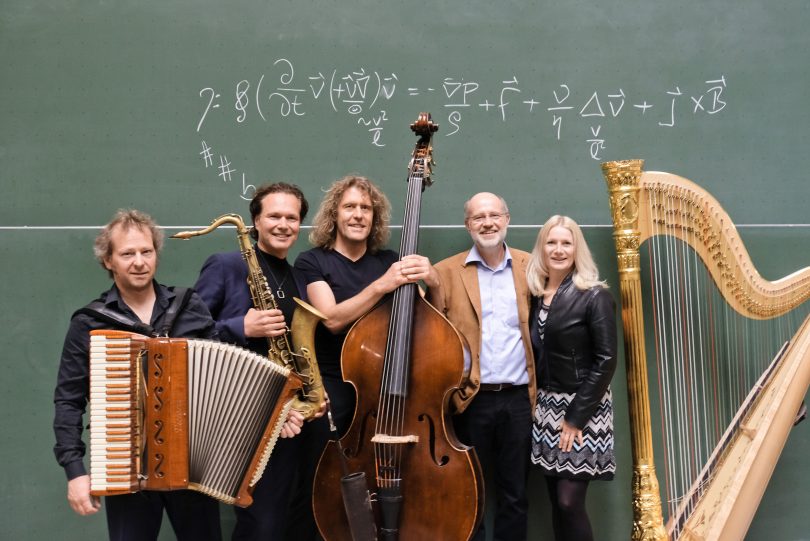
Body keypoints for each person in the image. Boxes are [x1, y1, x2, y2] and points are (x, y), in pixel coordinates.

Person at [52, 209, 222, 541]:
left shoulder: (189, 306)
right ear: (108, 261)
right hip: (123, 465)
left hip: (192, 463)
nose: (140, 262)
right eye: (127, 254)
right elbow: (69, 400)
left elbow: (221, 377)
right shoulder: (89, 322)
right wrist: (75, 471)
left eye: (147, 251)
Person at [290, 174, 433, 540]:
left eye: (366, 208)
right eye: (349, 207)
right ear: (334, 214)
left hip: (386, 390)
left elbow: (430, 318)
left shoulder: (389, 260)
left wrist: (433, 280)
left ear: (375, 217)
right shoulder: (312, 262)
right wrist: (383, 284)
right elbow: (332, 319)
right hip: (334, 388)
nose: (358, 215)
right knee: (323, 482)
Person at [193, 182, 315, 539]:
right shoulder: (225, 265)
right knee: (261, 525)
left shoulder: (298, 278)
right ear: (256, 222)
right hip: (237, 414)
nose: (283, 225)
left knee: (283, 523)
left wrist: (311, 396)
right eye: (274, 216)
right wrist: (241, 326)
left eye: (292, 217)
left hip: (286, 416)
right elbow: (185, 336)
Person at [424, 192, 536, 541]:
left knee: (515, 493)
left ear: (507, 219)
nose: (487, 223)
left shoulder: (532, 266)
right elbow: (432, 334)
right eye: (478, 217)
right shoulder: (444, 272)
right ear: (467, 225)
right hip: (470, 399)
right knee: (468, 492)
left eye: (494, 215)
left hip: (519, 399)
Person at [525, 215, 617, 541]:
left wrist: (575, 418)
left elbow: (606, 360)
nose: (559, 249)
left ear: (578, 249)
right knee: (556, 501)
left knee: (568, 502)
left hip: (583, 408)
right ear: (542, 248)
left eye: (567, 243)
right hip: (546, 407)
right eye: (551, 242)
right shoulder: (535, 295)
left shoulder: (594, 295)